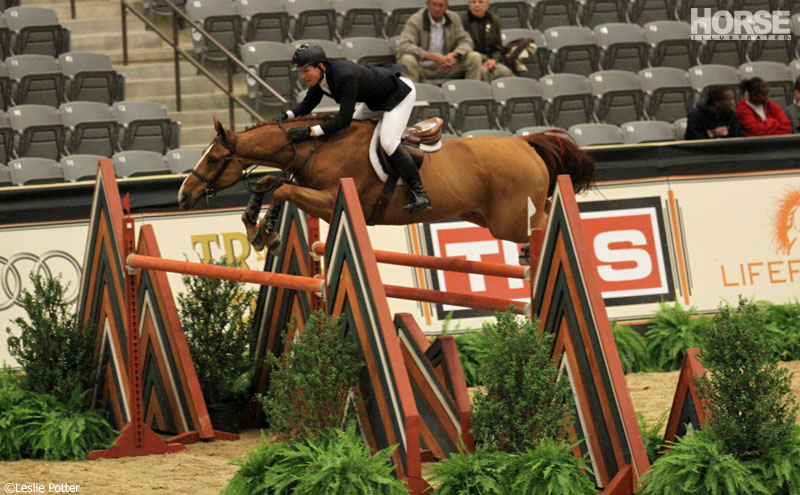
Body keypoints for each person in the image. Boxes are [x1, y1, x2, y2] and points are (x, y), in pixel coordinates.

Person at [280, 44, 431, 213]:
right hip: (375, 99)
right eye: (301, 72)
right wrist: (286, 116)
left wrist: (310, 131)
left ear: (320, 66)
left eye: (306, 71)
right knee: (352, 131)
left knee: (388, 142)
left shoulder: (344, 76)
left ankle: (419, 192)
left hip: (398, 94)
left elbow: (344, 119)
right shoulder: (321, 78)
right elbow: (308, 104)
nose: (303, 76)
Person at [396, 0, 483, 83]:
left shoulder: (453, 18)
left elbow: (466, 40)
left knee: (474, 57)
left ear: (446, 7)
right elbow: (404, 44)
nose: (437, 8)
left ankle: (472, 94)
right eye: (434, 4)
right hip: (421, 67)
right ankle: (412, 96)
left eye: (441, 5)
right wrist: (432, 57)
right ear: (428, 5)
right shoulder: (416, 20)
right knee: (407, 60)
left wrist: (454, 54)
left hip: (447, 66)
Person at [461, 0, 513, 82]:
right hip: (472, 62)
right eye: (473, 2)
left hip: (490, 60)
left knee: (505, 71)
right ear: (469, 4)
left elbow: (498, 47)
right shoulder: (462, 21)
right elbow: (463, 48)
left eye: (481, 2)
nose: (477, 5)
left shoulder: (494, 20)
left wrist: (494, 60)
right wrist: (484, 60)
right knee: (484, 72)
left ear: (487, 5)